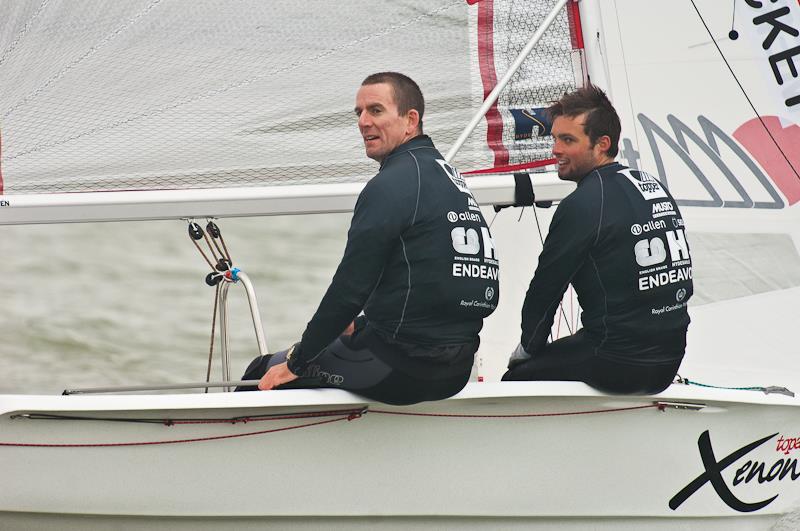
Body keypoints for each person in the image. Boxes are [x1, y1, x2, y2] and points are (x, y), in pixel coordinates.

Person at [239, 72, 499, 405]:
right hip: (457, 368)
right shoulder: (449, 179)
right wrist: (360, 324)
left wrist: (299, 360)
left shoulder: (391, 185)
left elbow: (349, 290)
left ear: (410, 119)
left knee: (263, 371)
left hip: (406, 368)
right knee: (345, 338)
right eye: (358, 113)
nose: (363, 122)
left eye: (375, 110)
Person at [502, 85, 692, 394]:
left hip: (618, 362)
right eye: (555, 138)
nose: (555, 150)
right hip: (670, 360)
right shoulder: (652, 186)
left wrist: (526, 349)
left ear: (602, 144)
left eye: (568, 140)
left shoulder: (584, 203)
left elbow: (546, 291)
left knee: (517, 379)